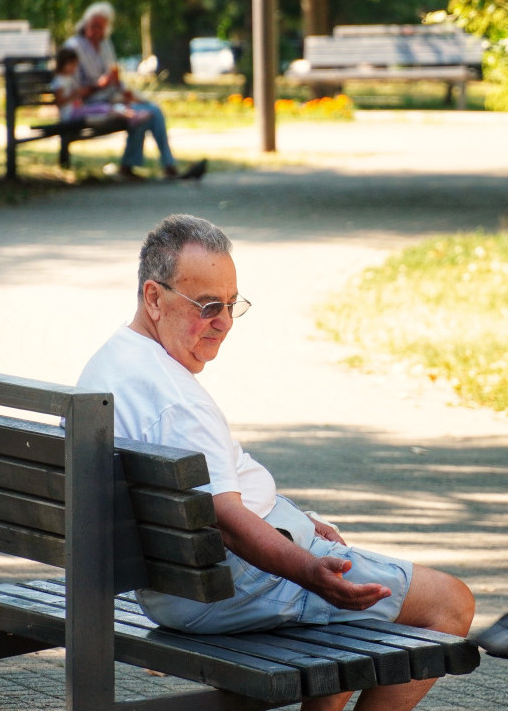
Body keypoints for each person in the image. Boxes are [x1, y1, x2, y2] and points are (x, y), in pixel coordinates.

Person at [76, 214, 475, 711]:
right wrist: (309, 569)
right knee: (450, 603)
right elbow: (230, 524)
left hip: (173, 586)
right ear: (154, 298)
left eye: (229, 305)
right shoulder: (176, 403)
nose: (222, 322)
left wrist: (295, 522)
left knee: (345, 622)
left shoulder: (114, 361)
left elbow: (213, 504)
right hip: (226, 587)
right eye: (206, 306)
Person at [63, 2, 203, 181]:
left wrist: (123, 90)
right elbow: (73, 91)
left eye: (100, 27)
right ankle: (133, 167)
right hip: (92, 104)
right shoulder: (73, 47)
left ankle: (168, 165)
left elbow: (113, 76)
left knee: (154, 110)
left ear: (107, 28)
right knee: (142, 115)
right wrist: (99, 85)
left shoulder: (105, 44)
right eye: (92, 26)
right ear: (85, 23)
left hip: (112, 98)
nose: (95, 31)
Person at [51, 46, 151, 127]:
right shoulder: (60, 81)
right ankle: (132, 117)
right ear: (64, 63)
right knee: (103, 109)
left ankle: (131, 115)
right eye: (73, 65)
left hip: (76, 111)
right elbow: (59, 102)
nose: (74, 68)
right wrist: (74, 95)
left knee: (106, 108)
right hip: (71, 115)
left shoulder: (68, 79)